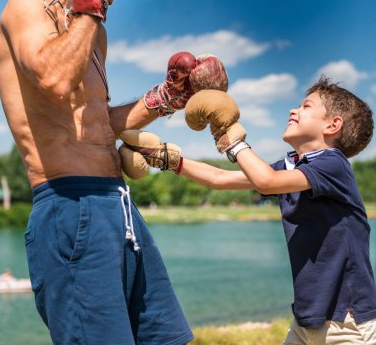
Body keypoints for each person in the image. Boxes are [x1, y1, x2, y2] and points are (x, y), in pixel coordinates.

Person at [0, 0, 230, 343]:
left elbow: (99, 123)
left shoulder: (93, 32)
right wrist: (90, 3)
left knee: (167, 339)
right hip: (69, 204)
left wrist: (168, 96)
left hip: (118, 205)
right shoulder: (25, 4)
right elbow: (54, 80)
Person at [121, 77, 376, 344]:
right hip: (307, 318)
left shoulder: (333, 164)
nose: (293, 110)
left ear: (333, 125)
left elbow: (266, 181)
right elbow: (220, 178)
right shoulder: (291, 167)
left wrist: (233, 139)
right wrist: (169, 160)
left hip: (347, 323)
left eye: (306, 106)